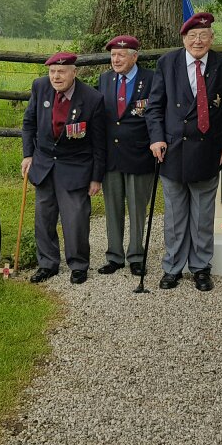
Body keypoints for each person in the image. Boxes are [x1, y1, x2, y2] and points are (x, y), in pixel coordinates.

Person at [145, 12, 222, 292]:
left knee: (202, 216)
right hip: (172, 151)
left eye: (203, 35)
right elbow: (155, 107)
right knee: (174, 215)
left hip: (208, 152)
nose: (198, 41)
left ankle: (200, 268)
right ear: (184, 38)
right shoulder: (167, 62)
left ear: (212, 38)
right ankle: (172, 267)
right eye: (192, 36)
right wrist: (156, 138)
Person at [21, 52, 106, 285]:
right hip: (44, 164)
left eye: (61, 72)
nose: (56, 77)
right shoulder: (40, 87)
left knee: (76, 219)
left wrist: (96, 177)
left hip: (76, 167)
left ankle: (78, 265)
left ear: (74, 72)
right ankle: (47, 264)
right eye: (52, 72)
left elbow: (99, 144)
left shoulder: (92, 98)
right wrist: (28, 154)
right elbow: (29, 123)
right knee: (44, 218)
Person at [97, 34, 156, 276]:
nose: (116, 59)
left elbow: (156, 115)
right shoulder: (104, 79)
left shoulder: (151, 79)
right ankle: (114, 255)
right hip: (111, 155)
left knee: (137, 207)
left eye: (121, 55)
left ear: (135, 56)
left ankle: (136, 256)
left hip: (140, 154)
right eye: (113, 55)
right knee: (112, 207)